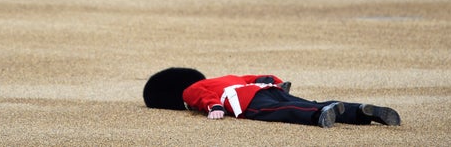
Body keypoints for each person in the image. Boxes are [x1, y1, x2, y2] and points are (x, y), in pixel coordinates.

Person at [143, 68, 402, 128]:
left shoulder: (192, 89)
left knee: (286, 111)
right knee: (307, 101)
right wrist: (275, 82)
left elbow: (202, 96)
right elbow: (252, 76)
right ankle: (359, 111)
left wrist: (215, 107)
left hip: (245, 102)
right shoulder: (224, 76)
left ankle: (318, 116)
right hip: (262, 88)